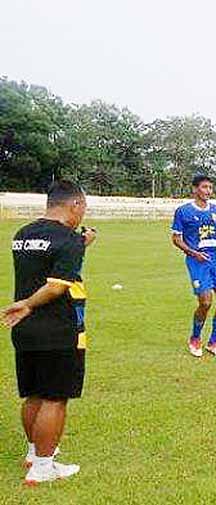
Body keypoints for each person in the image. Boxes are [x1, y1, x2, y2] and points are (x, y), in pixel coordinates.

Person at [2, 180, 96, 484]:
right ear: (75, 205)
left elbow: (48, 259)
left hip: (26, 331)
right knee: (56, 398)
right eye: (83, 207)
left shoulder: (23, 234)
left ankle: (33, 454)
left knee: (34, 394)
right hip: (57, 327)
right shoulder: (67, 240)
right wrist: (28, 304)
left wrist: (81, 243)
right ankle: (44, 467)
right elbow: (56, 286)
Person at [171, 175, 216, 358]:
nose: (208, 191)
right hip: (198, 261)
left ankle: (214, 342)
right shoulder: (183, 211)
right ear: (195, 189)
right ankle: (195, 339)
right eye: (204, 187)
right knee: (205, 302)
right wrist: (193, 253)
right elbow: (176, 239)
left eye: (210, 188)